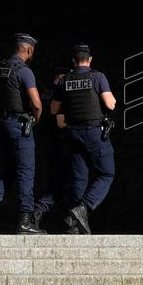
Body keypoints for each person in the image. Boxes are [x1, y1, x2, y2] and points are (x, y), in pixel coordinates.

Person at [0, 33, 44, 234]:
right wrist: (35, 119)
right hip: (19, 125)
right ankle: (25, 220)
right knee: (26, 170)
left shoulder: (0, 68)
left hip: (2, 124)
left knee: (9, 169)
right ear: (29, 50)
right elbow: (36, 103)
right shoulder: (24, 71)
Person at [50, 43, 117, 234]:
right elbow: (110, 104)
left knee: (79, 178)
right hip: (94, 132)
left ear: (73, 60)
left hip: (73, 134)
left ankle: (74, 226)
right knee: (107, 173)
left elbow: (54, 109)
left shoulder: (65, 80)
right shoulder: (98, 77)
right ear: (90, 59)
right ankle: (83, 208)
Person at [32, 65, 73, 231]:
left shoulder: (45, 92)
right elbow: (61, 122)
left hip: (46, 145)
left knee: (57, 183)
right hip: (61, 144)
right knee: (69, 182)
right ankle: (71, 221)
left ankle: (40, 212)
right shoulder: (61, 94)